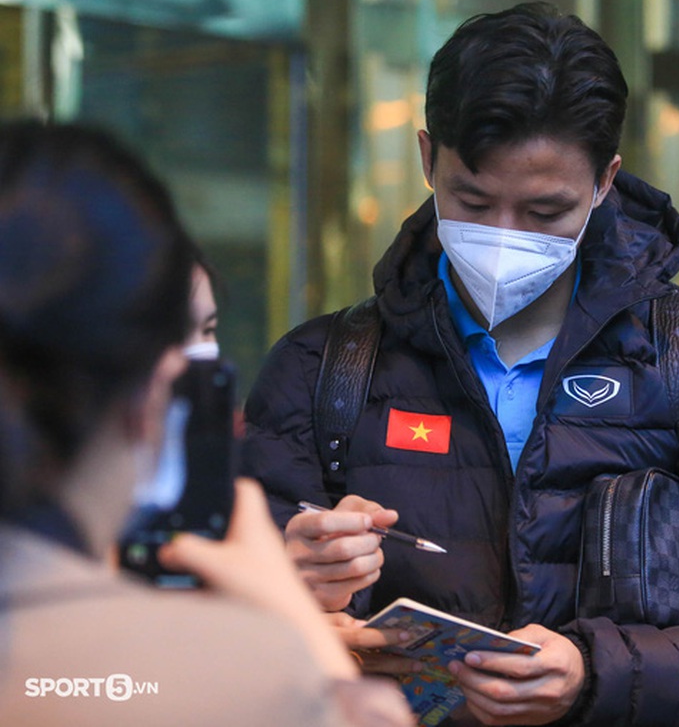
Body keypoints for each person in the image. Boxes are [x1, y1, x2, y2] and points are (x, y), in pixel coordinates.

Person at [244, 2, 679, 726]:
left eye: (545, 212)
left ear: (605, 181)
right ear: (427, 158)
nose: (503, 237)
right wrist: (294, 590)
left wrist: (595, 675)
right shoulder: (326, 369)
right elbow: (213, 620)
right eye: (472, 199)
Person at [0, 120, 414, 727]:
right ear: (153, 396)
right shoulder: (228, 673)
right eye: (180, 342)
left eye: (210, 332)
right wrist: (294, 635)